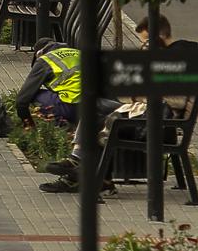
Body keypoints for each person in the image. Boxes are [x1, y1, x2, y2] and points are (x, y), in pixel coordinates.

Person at [39, 17, 183, 195]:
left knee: (104, 123)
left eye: (146, 41)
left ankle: (81, 171)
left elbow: (178, 100)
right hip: (143, 114)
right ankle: (82, 166)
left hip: (156, 125)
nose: (144, 47)